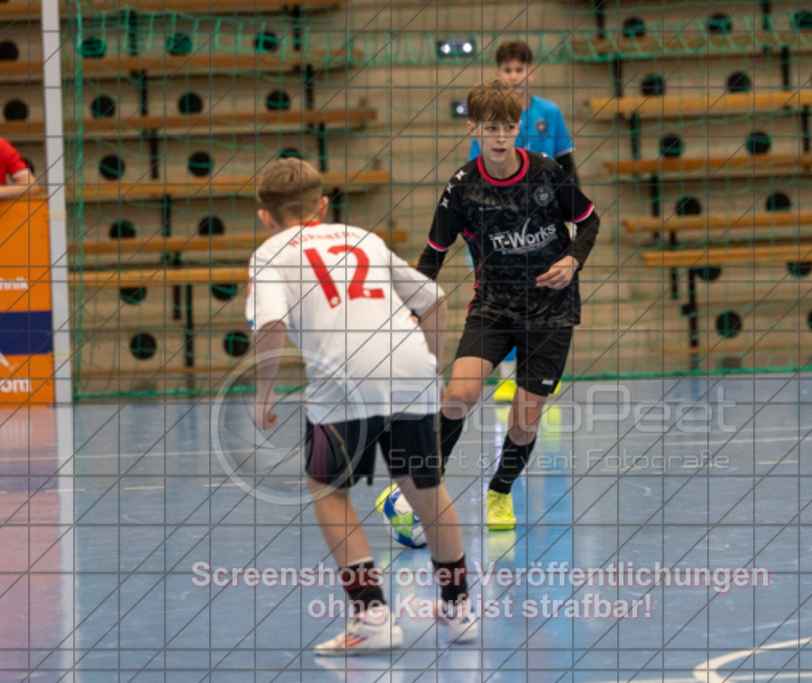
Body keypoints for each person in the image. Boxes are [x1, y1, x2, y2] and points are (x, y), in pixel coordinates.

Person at [247, 158, 478, 654]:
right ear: (323, 206)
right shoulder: (361, 237)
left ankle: (372, 613)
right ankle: (459, 608)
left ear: (265, 217)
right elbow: (433, 300)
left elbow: (270, 327)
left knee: (327, 488)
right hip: (409, 364)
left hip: (344, 379)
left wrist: (263, 392)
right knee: (425, 486)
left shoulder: (269, 253)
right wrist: (432, 370)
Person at [418, 80, 600, 531]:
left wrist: (573, 260)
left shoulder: (547, 174)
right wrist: (407, 308)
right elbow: (432, 256)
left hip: (552, 312)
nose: (501, 136)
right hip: (493, 309)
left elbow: (590, 221)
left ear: (519, 127)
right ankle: (425, 484)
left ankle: (499, 491)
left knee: (523, 421)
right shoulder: (461, 188)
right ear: (473, 128)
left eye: (509, 126)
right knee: (458, 395)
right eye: (491, 127)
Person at [469, 41, 580, 402]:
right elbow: (477, 175)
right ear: (499, 73)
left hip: (545, 224)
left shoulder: (550, 112)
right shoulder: (490, 121)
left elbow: (567, 166)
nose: (515, 76)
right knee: (504, 297)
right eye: (508, 70)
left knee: (547, 295)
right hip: (503, 225)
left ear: (531, 72)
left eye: (521, 69)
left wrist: (573, 215)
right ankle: (505, 376)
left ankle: (541, 374)